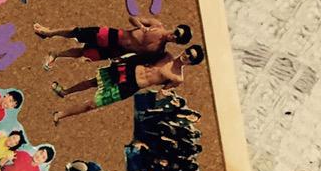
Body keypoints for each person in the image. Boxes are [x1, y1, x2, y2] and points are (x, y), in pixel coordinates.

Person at [52, 45, 206, 119]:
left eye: (191, 57)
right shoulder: (166, 55)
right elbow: (141, 56)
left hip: (131, 86)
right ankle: (65, 91)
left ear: (192, 63)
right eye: (188, 52)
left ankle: (60, 114)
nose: (187, 56)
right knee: (93, 82)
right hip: (128, 70)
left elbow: (161, 93)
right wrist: (123, 58)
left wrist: (164, 94)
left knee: (93, 104)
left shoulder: (178, 78)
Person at [37, 18, 191, 65]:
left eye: (178, 39)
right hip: (113, 36)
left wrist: (120, 60)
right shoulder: (156, 25)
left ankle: (56, 54)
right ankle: (49, 32)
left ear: (177, 43)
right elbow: (132, 18)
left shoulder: (158, 51)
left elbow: (138, 59)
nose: (174, 36)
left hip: (116, 51)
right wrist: (141, 26)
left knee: (84, 52)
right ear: (176, 27)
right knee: (77, 32)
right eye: (177, 33)